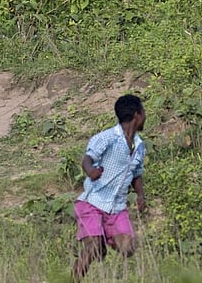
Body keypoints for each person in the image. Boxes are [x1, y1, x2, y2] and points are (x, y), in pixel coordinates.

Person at [72, 94, 146, 281]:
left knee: (128, 248)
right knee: (93, 247)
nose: (145, 116)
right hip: (93, 203)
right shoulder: (107, 138)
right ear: (137, 115)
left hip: (117, 208)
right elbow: (87, 159)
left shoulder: (139, 146)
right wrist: (91, 172)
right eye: (144, 112)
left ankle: (104, 239)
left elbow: (136, 173)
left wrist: (140, 196)